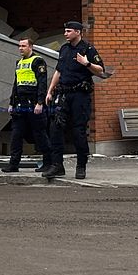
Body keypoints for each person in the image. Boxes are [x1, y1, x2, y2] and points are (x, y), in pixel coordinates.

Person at [44, 21, 105, 180]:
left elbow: (101, 71)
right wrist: (50, 91)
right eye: (65, 31)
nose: (65, 34)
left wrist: (86, 63)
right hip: (63, 94)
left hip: (80, 95)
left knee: (78, 131)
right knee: (55, 128)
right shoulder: (64, 49)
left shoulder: (88, 49)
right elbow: (58, 71)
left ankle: (81, 166)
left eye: (69, 31)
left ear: (78, 32)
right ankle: (57, 165)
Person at [4, 38, 50, 173]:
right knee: (16, 134)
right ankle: (13, 164)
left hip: (34, 103)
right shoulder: (19, 63)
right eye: (19, 46)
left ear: (31, 47)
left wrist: (40, 103)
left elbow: (42, 83)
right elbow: (16, 84)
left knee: (40, 134)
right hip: (20, 103)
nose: (20, 48)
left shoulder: (38, 61)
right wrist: (12, 102)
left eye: (23, 46)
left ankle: (48, 163)